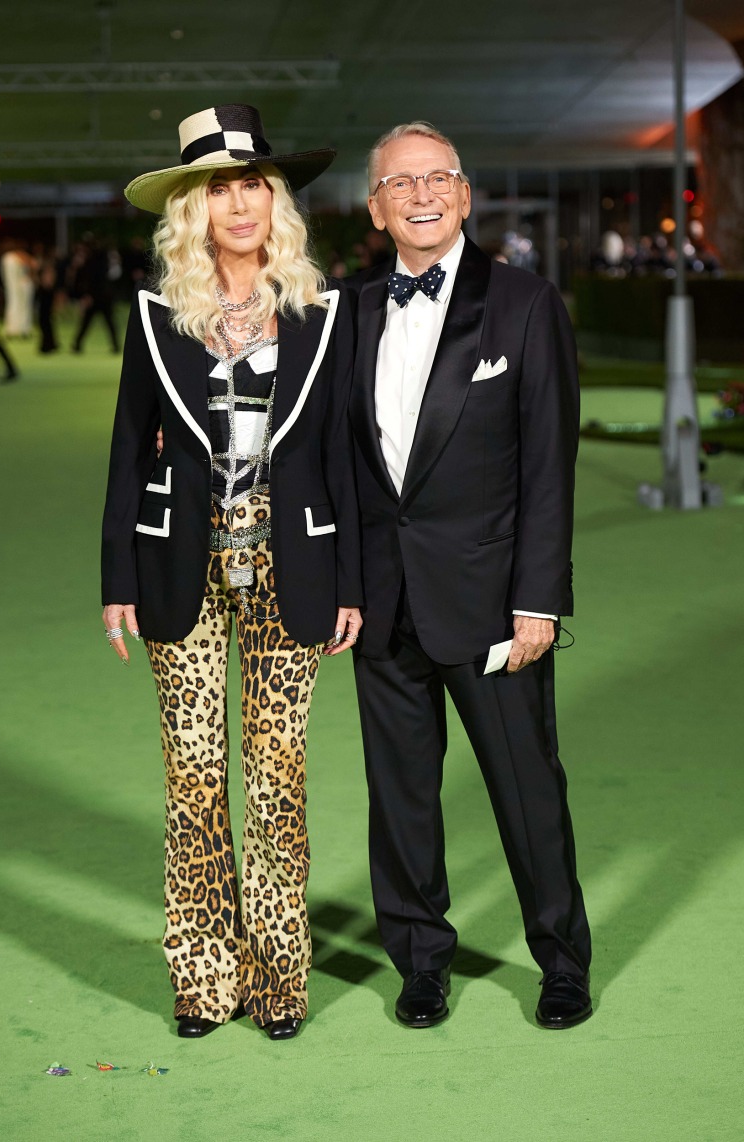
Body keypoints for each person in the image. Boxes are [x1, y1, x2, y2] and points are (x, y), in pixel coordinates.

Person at [101, 103, 362, 1041]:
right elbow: (130, 452)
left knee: (278, 777)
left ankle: (281, 983)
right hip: (179, 562)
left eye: (253, 183)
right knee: (194, 774)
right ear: (192, 210)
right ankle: (206, 979)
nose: (240, 202)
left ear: (274, 199)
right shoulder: (155, 313)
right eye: (220, 188)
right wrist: (116, 579)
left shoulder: (323, 314)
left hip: (297, 559)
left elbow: (341, 455)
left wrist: (355, 585)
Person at [347, 122, 591, 1031]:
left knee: (528, 795)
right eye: (399, 182)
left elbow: (548, 468)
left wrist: (539, 600)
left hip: (494, 606)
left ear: (465, 193)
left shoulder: (526, 303)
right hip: (380, 603)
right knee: (400, 802)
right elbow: (337, 460)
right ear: (375, 206)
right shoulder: (351, 308)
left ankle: (562, 961)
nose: (420, 193)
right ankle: (419, 962)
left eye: (437, 177)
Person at [71, 234, 120, 353]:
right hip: (103, 296)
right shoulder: (103, 259)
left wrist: (88, 295)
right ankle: (115, 346)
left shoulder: (91, 260)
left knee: (89, 322)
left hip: (97, 296)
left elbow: (92, 279)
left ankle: (77, 345)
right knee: (106, 323)